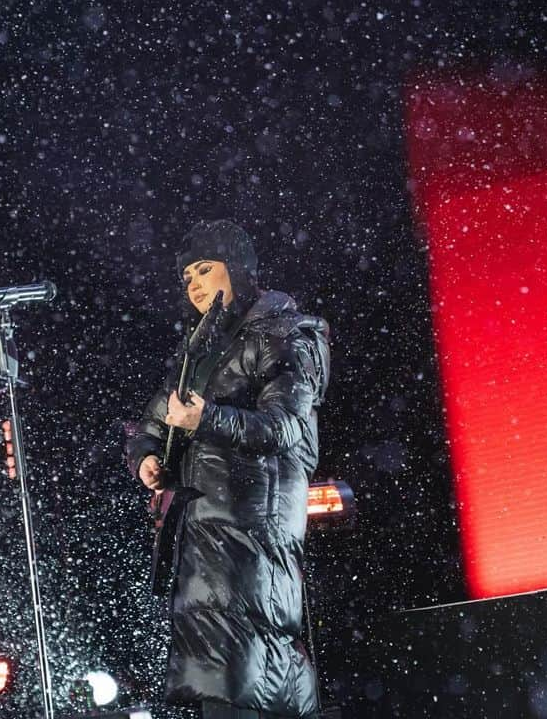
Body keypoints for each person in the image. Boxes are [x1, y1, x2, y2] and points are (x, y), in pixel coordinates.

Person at [126, 220, 330, 719]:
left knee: (247, 670)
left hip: (251, 534)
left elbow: (284, 428)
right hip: (204, 542)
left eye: (203, 269)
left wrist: (205, 418)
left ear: (236, 269)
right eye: (186, 277)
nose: (193, 284)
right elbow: (153, 421)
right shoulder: (197, 352)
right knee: (224, 676)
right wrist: (146, 459)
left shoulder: (284, 334)